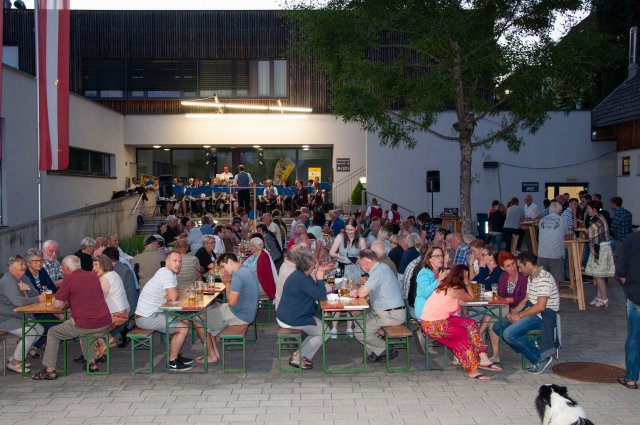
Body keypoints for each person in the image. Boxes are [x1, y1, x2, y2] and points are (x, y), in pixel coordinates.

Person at [33, 255, 113, 380]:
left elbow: (58, 305)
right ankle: (91, 363)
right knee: (87, 331)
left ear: (66, 268)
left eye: (61, 269)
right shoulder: (93, 276)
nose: (61, 271)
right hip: (105, 321)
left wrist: (59, 301)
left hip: (85, 323)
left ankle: (50, 370)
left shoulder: (68, 279)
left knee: (53, 333)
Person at [420, 264, 501, 381]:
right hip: (433, 325)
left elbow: (451, 300)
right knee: (463, 335)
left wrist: (458, 299)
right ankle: (472, 370)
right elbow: (471, 298)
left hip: (436, 320)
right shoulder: (456, 289)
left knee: (471, 324)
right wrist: (467, 283)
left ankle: (483, 357)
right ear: (463, 276)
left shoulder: (446, 285)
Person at [493, 252, 560, 374]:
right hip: (532, 312)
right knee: (498, 327)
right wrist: (513, 312)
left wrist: (519, 316)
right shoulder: (531, 277)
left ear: (528, 264)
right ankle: (525, 346)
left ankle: (540, 358)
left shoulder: (543, 277)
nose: (518, 269)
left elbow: (541, 306)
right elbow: (525, 299)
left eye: (519, 266)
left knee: (509, 334)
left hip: (543, 316)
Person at [135, 251, 196, 371]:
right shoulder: (166, 274)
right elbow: (174, 297)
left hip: (156, 311)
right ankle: (172, 362)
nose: (178, 264)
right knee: (182, 329)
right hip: (146, 317)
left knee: (185, 322)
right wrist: (172, 295)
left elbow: (174, 294)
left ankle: (176, 355)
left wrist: (172, 295)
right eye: (175, 261)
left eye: (180, 261)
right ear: (167, 262)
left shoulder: (170, 273)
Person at [276, 247, 334, 369]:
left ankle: (298, 354)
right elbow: (321, 296)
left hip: (290, 314)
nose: (316, 265)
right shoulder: (301, 278)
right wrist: (320, 278)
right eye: (314, 264)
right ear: (309, 266)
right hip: (292, 318)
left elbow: (314, 290)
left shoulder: (300, 274)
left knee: (321, 329)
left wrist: (319, 274)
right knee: (325, 332)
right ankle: (298, 357)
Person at [349, 249, 406, 363]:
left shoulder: (379, 271)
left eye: (360, 264)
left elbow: (362, 293)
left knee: (359, 332)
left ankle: (385, 349)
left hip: (391, 314)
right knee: (359, 321)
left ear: (366, 262)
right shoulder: (381, 268)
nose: (361, 268)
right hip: (386, 312)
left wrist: (356, 292)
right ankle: (375, 353)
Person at [202, 253, 260, 363]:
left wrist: (227, 284)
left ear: (230, 262)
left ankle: (211, 355)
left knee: (199, 318)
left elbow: (232, 303)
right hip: (248, 312)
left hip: (240, 315)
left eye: (223, 266)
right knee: (212, 309)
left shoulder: (238, 275)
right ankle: (214, 352)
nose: (223, 270)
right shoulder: (245, 269)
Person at [0, 255, 46, 374]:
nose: (24, 266)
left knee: (39, 329)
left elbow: (36, 292)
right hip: (6, 318)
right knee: (31, 331)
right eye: (21, 264)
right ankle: (15, 362)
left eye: (24, 264)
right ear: (12, 267)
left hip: (20, 316)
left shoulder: (24, 278)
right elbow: (18, 301)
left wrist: (29, 288)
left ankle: (14, 357)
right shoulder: (8, 281)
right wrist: (37, 299)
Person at [487, 251, 528, 361]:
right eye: (508, 266)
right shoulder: (503, 277)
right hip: (506, 307)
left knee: (490, 315)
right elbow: (501, 294)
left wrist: (512, 299)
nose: (512, 268)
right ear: (503, 268)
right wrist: (506, 300)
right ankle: (495, 355)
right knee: (491, 320)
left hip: (520, 308)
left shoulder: (523, 276)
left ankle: (494, 354)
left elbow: (524, 296)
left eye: (513, 264)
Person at [90, 254, 130, 362]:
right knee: (94, 327)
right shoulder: (114, 274)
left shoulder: (105, 278)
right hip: (124, 313)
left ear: (103, 265)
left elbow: (100, 299)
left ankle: (100, 351)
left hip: (116, 315)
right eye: (93, 265)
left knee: (88, 328)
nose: (94, 268)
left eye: (96, 265)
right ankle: (104, 346)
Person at [615, 231, 640, 389]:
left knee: (634, 336)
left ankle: (631, 378)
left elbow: (621, 270)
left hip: (635, 294)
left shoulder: (631, 239)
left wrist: (629, 288)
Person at [584, 200, 615, 307]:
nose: (587, 210)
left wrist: (585, 231)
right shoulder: (600, 217)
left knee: (599, 276)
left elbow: (589, 233)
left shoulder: (596, 220)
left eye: (588, 208)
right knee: (597, 274)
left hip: (600, 249)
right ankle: (599, 297)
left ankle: (605, 298)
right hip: (601, 248)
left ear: (594, 210)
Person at [537, 202, 568, 285]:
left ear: (549, 210)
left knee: (542, 280)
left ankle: (542, 297)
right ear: (560, 211)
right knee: (555, 280)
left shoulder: (542, 220)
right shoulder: (562, 220)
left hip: (542, 253)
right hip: (556, 254)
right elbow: (567, 235)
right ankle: (555, 297)